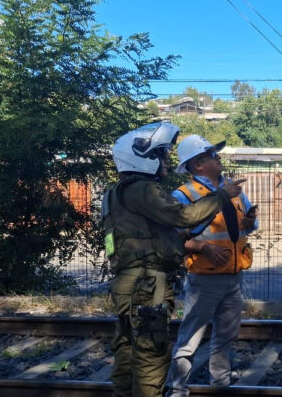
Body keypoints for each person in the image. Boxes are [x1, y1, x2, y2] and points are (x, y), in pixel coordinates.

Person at [103, 122, 244, 397]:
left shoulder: (117, 193)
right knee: (151, 355)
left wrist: (186, 237)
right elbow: (182, 216)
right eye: (160, 155)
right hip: (146, 283)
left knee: (127, 350)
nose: (165, 161)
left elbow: (156, 234)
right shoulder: (142, 189)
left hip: (128, 282)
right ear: (142, 158)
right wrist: (221, 196)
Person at [165, 135, 259, 397]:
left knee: (226, 336)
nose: (219, 159)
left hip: (233, 276)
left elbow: (249, 224)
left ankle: (220, 385)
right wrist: (203, 247)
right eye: (212, 155)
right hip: (204, 279)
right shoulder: (183, 195)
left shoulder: (232, 189)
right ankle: (177, 390)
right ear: (198, 164)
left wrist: (249, 222)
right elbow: (171, 236)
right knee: (189, 338)